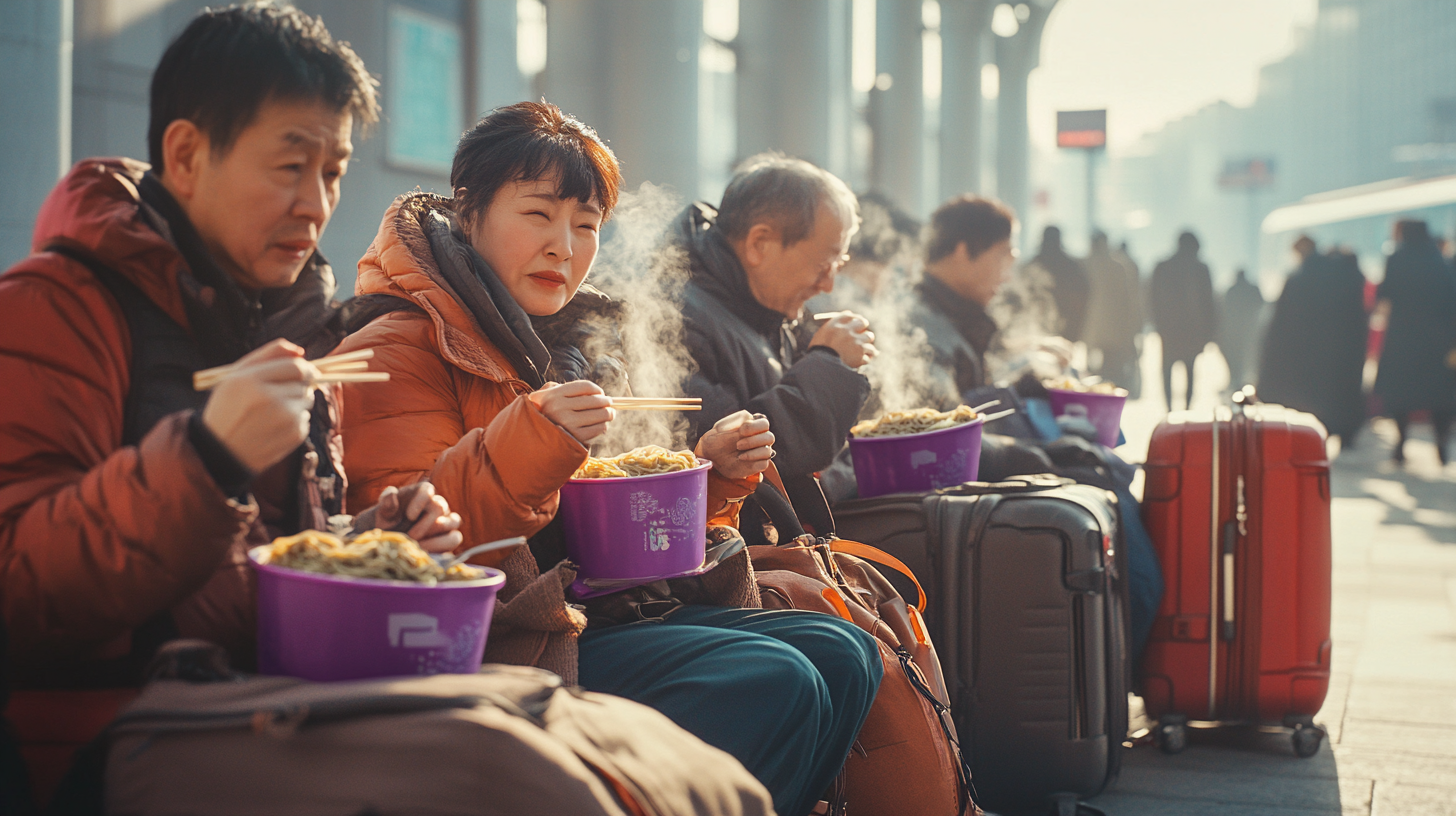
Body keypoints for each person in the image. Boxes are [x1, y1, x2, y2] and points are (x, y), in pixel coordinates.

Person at [336, 102, 881, 816]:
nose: (565, 246)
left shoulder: (563, 342)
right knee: (776, 677)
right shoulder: (393, 347)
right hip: (509, 641)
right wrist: (532, 439)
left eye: (586, 224)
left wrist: (708, 481)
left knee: (846, 653)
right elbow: (397, 549)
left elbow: (604, 522)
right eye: (538, 215)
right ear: (469, 213)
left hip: (600, 610)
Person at [0, 4, 462, 790]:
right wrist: (207, 460)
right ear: (186, 155)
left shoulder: (290, 324)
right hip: (109, 737)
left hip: (271, 707)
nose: (317, 203)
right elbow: (18, 596)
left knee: (607, 747)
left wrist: (371, 544)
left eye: (335, 170)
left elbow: (267, 563)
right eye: (290, 166)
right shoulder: (54, 305)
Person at [675, 154, 875, 532]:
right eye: (824, 263)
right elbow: (739, 453)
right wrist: (829, 364)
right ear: (759, 243)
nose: (828, 285)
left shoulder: (766, 306)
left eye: (839, 263)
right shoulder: (675, 316)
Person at [1258, 238, 1368, 443]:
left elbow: (1280, 325)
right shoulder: (1348, 278)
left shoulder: (1298, 278)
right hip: (1342, 355)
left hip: (1305, 354)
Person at [912, 195, 1018, 404]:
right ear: (962, 252)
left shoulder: (953, 313)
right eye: (1002, 257)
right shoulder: (923, 331)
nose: (1007, 276)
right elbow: (947, 424)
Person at [1374, 219, 1456, 464]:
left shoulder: (1396, 258)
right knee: (1439, 394)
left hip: (1403, 338)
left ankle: (1401, 442)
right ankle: (1441, 442)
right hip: (1437, 339)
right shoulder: (1440, 260)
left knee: (1401, 393)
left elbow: (1384, 294)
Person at [1150, 231, 1217, 411]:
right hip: (1192, 330)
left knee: (1167, 369)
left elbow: (1152, 298)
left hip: (1169, 329)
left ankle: (1169, 410)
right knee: (1190, 370)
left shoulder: (1162, 267)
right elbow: (1209, 303)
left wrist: (1157, 324)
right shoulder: (1201, 269)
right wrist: (1209, 333)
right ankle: (1186, 409)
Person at [1082, 231, 1144, 396]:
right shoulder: (1118, 266)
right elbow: (1129, 301)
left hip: (1089, 328)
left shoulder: (1084, 265)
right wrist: (1133, 328)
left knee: (1088, 372)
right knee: (1111, 373)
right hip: (1114, 331)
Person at [1023, 225, 1091, 343]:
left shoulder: (1033, 265)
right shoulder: (1072, 266)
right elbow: (1084, 294)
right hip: (1063, 324)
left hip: (1043, 326)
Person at [1219, 267, 1266, 391]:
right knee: (1246, 356)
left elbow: (1224, 310)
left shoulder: (1231, 290)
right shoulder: (1253, 289)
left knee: (1234, 357)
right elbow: (1261, 304)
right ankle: (1243, 381)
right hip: (1249, 330)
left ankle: (1235, 380)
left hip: (1233, 331)